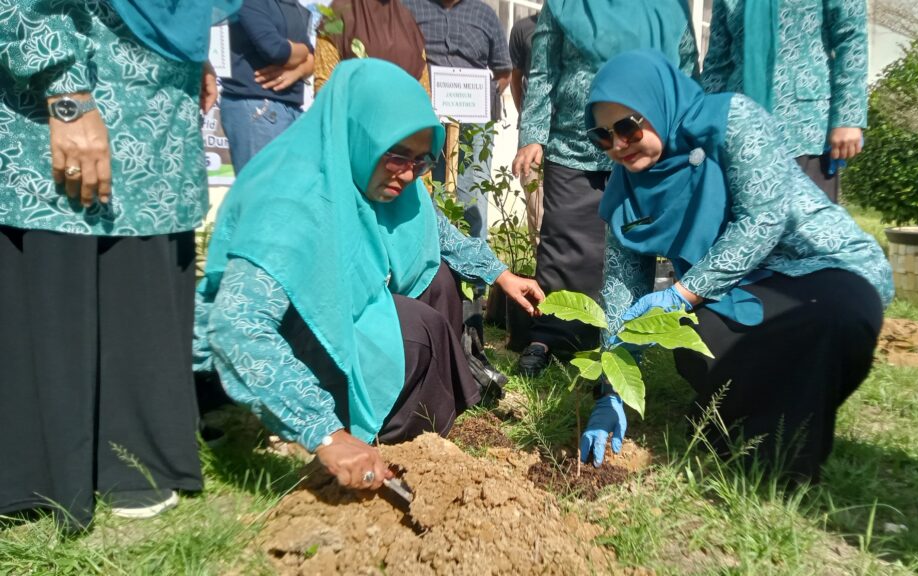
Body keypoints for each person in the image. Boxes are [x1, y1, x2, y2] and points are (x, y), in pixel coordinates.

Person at [193, 59, 543, 490]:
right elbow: (237, 329)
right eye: (397, 156)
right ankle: (378, 435)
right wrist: (323, 433)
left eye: (421, 160)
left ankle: (425, 422)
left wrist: (501, 275)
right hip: (271, 359)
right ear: (359, 134)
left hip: (326, 319)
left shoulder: (368, 170)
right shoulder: (292, 196)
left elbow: (438, 231)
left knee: (439, 283)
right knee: (419, 330)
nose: (409, 173)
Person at [580, 50, 893, 480]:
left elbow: (763, 219)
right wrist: (610, 390)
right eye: (603, 135)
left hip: (817, 266)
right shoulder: (627, 186)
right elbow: (621, 284)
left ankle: (785, 462)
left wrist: (680, 294)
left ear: (658, 106)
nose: (617, 145)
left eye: (629, 128)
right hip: (729, 287)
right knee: (699, 343)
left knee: (833, 318)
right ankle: (744, 434)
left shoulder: (730, 120)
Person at [0, 0, 236, 529]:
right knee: (66, 248)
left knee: (141, 272)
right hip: (75, 98)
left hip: (159, 114)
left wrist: (191, 55)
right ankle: (45, 472)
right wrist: (66, 94)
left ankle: (132, 461)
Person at [511, 0, 699, 376]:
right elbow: (543, 69)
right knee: (565, 246)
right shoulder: (564, 5)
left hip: (645, 146)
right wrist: (532, 135)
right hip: (576, 141)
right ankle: (548, 336)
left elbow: (687, 70)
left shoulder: (670, 6)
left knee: (633, 248)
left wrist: (686, 137)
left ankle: (621, 351)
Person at [700, 0, 868, 202]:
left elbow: (851, 37)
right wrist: (708, 124)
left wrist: (847, 118)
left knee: (810, 228)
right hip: (741, 130)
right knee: (749, 223)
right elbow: (718, 61)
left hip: (806, 127)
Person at [402, 0, 512, 243]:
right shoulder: (408, 7)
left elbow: (504, 72)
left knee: (473, 196)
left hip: (475, 126)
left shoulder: (485, 14)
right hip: (422, 121)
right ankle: (429, 266)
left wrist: (479, 96)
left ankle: (476, 275)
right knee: (423, 192)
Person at [220, 0, 314, 173]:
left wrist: (300, 69)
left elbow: (313, 59)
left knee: (286, 194)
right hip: (257, 106)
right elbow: (276, 50)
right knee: (261, 194)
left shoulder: (296, 8)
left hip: (291, 109)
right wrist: (304, 52)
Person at [312, 0, 430, 93]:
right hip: (353, 118)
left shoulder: (407, 21)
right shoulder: (338, 14)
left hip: (404, 118)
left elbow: (423, 93)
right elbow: (324, 85)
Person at [508, 12, 543, 246]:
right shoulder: (523, 28)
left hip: (573, 140)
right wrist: (527, 118)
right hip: (532, 138)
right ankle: (544, 275)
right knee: (536, 210)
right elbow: (515, 78)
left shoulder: (582, 24)